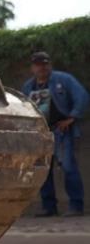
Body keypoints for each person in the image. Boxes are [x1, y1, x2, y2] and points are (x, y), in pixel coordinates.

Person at [22, 52, 89, 216]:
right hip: (40, 133)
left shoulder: (63, 80)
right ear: (33, 67)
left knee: (68, 167)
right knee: (43, 170)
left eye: (44, 64)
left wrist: (72, 117)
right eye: (38, 64)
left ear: (49, 65)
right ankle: (49, 207)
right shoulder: (28, 87)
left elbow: (82, 97)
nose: (42, 68)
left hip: (61, 131)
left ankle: (76, 205)